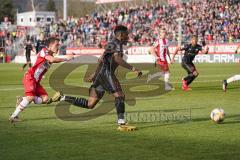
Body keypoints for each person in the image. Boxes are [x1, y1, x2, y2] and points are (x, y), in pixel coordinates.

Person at [50, 25, 142, 129]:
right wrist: (133, 68)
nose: (128, 36)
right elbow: (117, 59)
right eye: (126, 34)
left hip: (101, 75)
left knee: (90, 104)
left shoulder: (113, 44)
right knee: (119, 96)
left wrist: (95, 74)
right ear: (121, 35)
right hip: (106, 74)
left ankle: (62, 97)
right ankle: (122, 123)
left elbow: (101, 59)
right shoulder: (115, 44)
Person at [9, 37, 74, 123]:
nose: (58, 47)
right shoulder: (44, 51)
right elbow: (52, 59)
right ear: (50, 46)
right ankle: (14, 116)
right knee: (31, 97)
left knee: (45, 99)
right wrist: (66, 58)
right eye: (56, 45)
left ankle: (23, 99)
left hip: (36, 82)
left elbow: (51, 60)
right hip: (30, 77)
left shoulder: (50, 56)